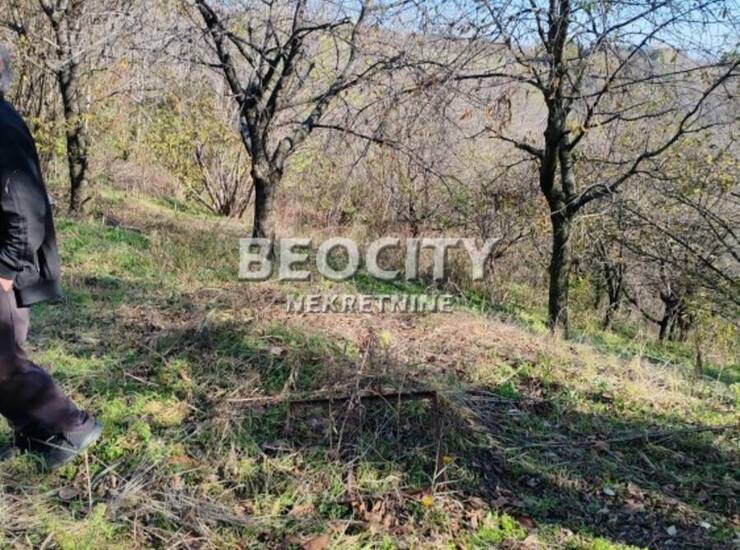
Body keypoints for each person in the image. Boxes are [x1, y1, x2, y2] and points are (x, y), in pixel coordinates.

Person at [0, 45, 101, 470]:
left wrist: (6, 268)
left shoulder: (1, 125)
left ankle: (70, 426)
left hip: (5, 267)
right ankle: (36, 434)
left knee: (4, 365)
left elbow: (26, 208)